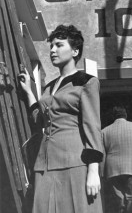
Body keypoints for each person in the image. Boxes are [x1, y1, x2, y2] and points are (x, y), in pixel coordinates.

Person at [19, 24, 103, 213]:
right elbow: (38, 119)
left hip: (74, 161)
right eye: (51, 46)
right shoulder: (49, 87)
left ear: (75, 51)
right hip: (45, 162)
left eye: (59, 45)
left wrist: (93, 170)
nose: (52, 50)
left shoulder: (86, 82)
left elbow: (92, 126)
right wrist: (29, 93)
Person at [102, 104, 132, 213]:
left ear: (113, 116)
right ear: (126, 115)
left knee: (119, 201)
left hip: (113, 170)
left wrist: (102, 173)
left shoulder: (104, 131)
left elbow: (102, 155)